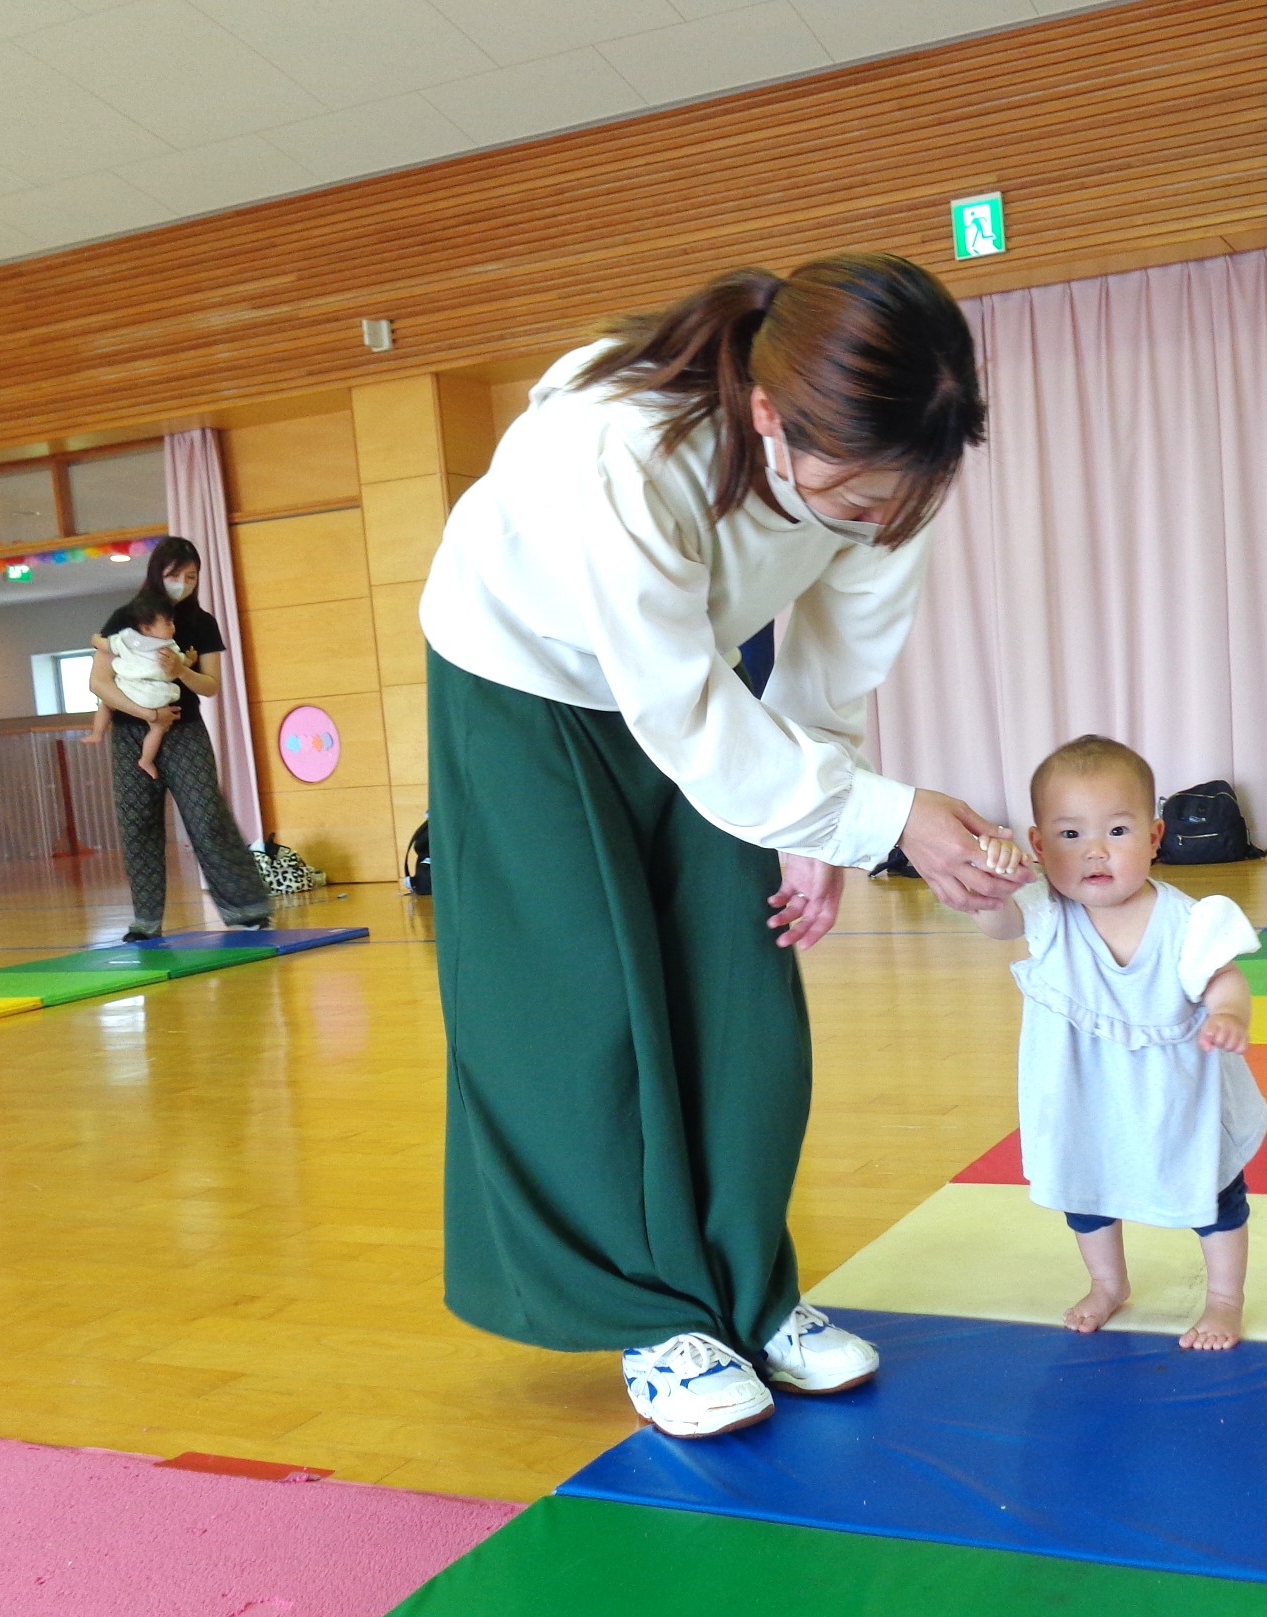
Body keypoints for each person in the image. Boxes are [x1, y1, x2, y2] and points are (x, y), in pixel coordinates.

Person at [419, 254, 1022, 1439]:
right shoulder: (625, 445)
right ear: (765, 416)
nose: (880, 522)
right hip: (522, 671)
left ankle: (750, 1290)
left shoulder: (899, 464)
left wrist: (828, 824)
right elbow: (684, 716)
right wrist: (887, 817)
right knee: (581, 1000)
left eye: (904, 501)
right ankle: (655, 1312)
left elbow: (835, 660)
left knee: (740, 972)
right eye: (853, 500)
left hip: (685, 660)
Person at [975, 737, 1266, 1351]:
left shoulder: (1189, 920)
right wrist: (992, 882)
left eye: (1117, 830)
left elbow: (1225, 976)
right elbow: (997, 924)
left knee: (1214, 1194)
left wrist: (1229, 1014)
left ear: (1155, 837)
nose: (1096, 851)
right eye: (1071, 835)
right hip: (1080, 1091)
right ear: (1038, 845)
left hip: (1176, 1094)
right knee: (1084, 1189)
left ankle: (1224, 1297)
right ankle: (1107, 1282)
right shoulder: (1046, 913)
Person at [85, 538, 271, 941]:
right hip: (132, 732)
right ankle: (146, 921)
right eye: (174, 576)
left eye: (191, 577)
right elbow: (99, 682)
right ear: (157, 573)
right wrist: (148, 715)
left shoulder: (201, 622)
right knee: (138, 823)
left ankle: (247, 909)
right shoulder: (126, 617)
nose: (182, 584)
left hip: (185, 731)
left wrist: (180, 671)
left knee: (207, 817)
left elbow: (210, 685)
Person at [85, 594, 182, 780]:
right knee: (157, 729)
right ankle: (146, 760)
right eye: (168, 623)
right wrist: (188, 659)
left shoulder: (129, 639)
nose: (173, 627)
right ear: (148, 627)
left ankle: (97, 732)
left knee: (106, 702)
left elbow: (105, 645)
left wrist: (95, 639)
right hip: (156, 696)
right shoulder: (169, 646)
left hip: (130, 690)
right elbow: (180, 663)